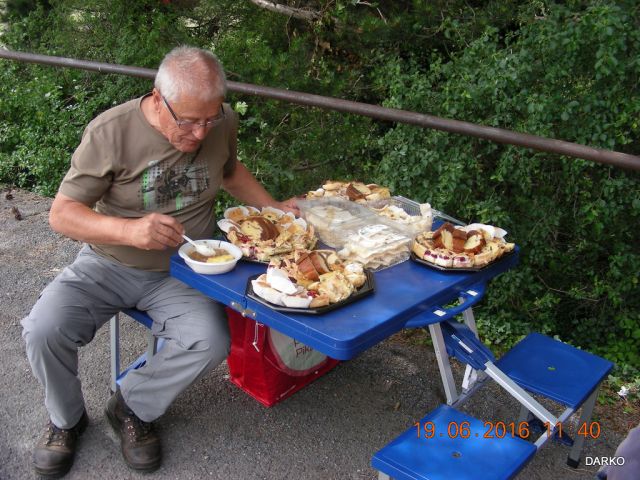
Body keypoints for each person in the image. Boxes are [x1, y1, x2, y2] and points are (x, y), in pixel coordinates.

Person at [21, 45, 298, 477]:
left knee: (210, 340)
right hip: (107, 262)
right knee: (43, 330)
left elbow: (229, 170)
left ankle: (131, 406)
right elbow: (63, 214)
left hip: (188, 267)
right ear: (156, 97)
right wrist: (129, 231)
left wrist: (274, 207)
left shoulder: (221, 121)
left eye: (210, 119)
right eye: (188, 121)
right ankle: (66, 420)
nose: (201, 132)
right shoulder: (111, 131)